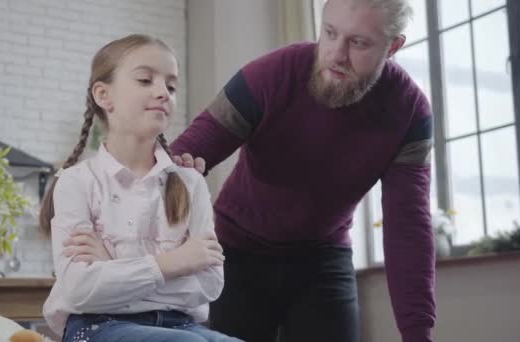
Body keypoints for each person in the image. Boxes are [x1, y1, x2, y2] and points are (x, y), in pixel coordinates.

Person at [170, 0, 436, 341]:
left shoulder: (410, 113)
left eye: (358, 42)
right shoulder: (269, 75)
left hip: (323, 256)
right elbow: (185, 157)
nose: (337, 54)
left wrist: (418, 333)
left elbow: (408, 225)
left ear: (393, 46)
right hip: (237, 251)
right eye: (330, 33)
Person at [40, 34, 242, 342]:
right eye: (146, 80)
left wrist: (113, 268)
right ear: (103, 95)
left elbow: (210, 284)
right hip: (98, 326)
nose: (163, 92)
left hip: (180, 325)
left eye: (171, 86)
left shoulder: (190, 183)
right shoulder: (77, 182)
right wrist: (174, 262)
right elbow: (78, 289)